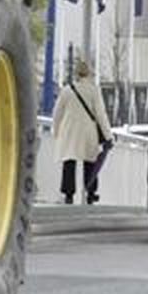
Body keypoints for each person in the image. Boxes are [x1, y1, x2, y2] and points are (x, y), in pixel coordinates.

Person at [52, 57, 112, 205]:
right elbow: (100, 114)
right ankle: (90, 192)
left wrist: (56, 130)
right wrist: (108, 135)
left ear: (76, 74)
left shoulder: (67, 90)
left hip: (69, 131)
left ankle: (68, 194)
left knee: (69, 161)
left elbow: (57, 113)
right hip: (88, 132)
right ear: (89, 73)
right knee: (90, 161)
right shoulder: (93, 90)